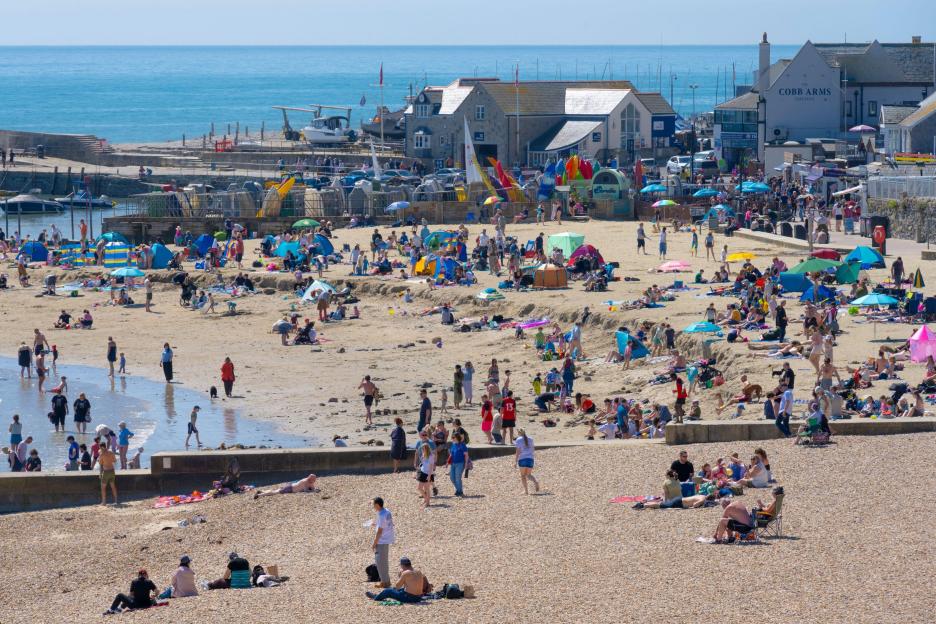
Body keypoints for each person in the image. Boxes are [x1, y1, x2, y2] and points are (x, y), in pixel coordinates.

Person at [633, 470, 709, 509]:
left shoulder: (666, 482)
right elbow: (695, 505)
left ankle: (644, 504)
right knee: (661, 505)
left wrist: (665, 500)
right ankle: (644, 505)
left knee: (661, 504)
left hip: (677, 500)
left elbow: (666, 494)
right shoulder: (677, 480)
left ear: (668, 476)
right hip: (679, 499)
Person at [371, 497, 395, 588]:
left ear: (377, 505)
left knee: (380, 562)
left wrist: (374, 543)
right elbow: (389, 524)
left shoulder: (381, 515)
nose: (373, 506)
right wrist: (376, 524)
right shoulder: (387, 511)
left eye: (373, 505)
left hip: (382, 541)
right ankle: (386, 581)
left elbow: (380, 532)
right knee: (383, 561)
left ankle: (385, 582)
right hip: (387, 539)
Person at [514, 429, 540, 494]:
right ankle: (536, 482)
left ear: (519, 433)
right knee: (529, 475)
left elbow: (518, 451)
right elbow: (533, 449)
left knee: (523, 475)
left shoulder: (518, 439)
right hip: (530, 459)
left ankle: (526, 491)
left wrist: (515, 461)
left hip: (522, 459)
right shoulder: (530, 439)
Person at [254, 473, 318, 498]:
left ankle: (261, 491)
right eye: (314, 479)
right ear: (310, 478)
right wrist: (313, 491)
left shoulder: (310, 482)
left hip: (290, 487)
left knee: (275, 491)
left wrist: (314, 489)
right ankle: (259, 495)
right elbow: (306, 490)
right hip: (290, 488)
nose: (314, 481)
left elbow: (312, 487)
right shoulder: (304, 481)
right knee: (275, 492)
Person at [448, 432, 469, 496]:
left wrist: (466, 464)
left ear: (457, 437)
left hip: (460, 463)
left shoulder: (462, 445)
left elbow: (466, 455)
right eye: (452, 437)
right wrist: (447, 462)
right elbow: (451, 454)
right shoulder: (453, 444)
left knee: (457, 478)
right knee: (452, 477)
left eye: (453, 437)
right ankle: (459, 490)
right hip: (453, 463)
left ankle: (460, 492)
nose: (452, 439)